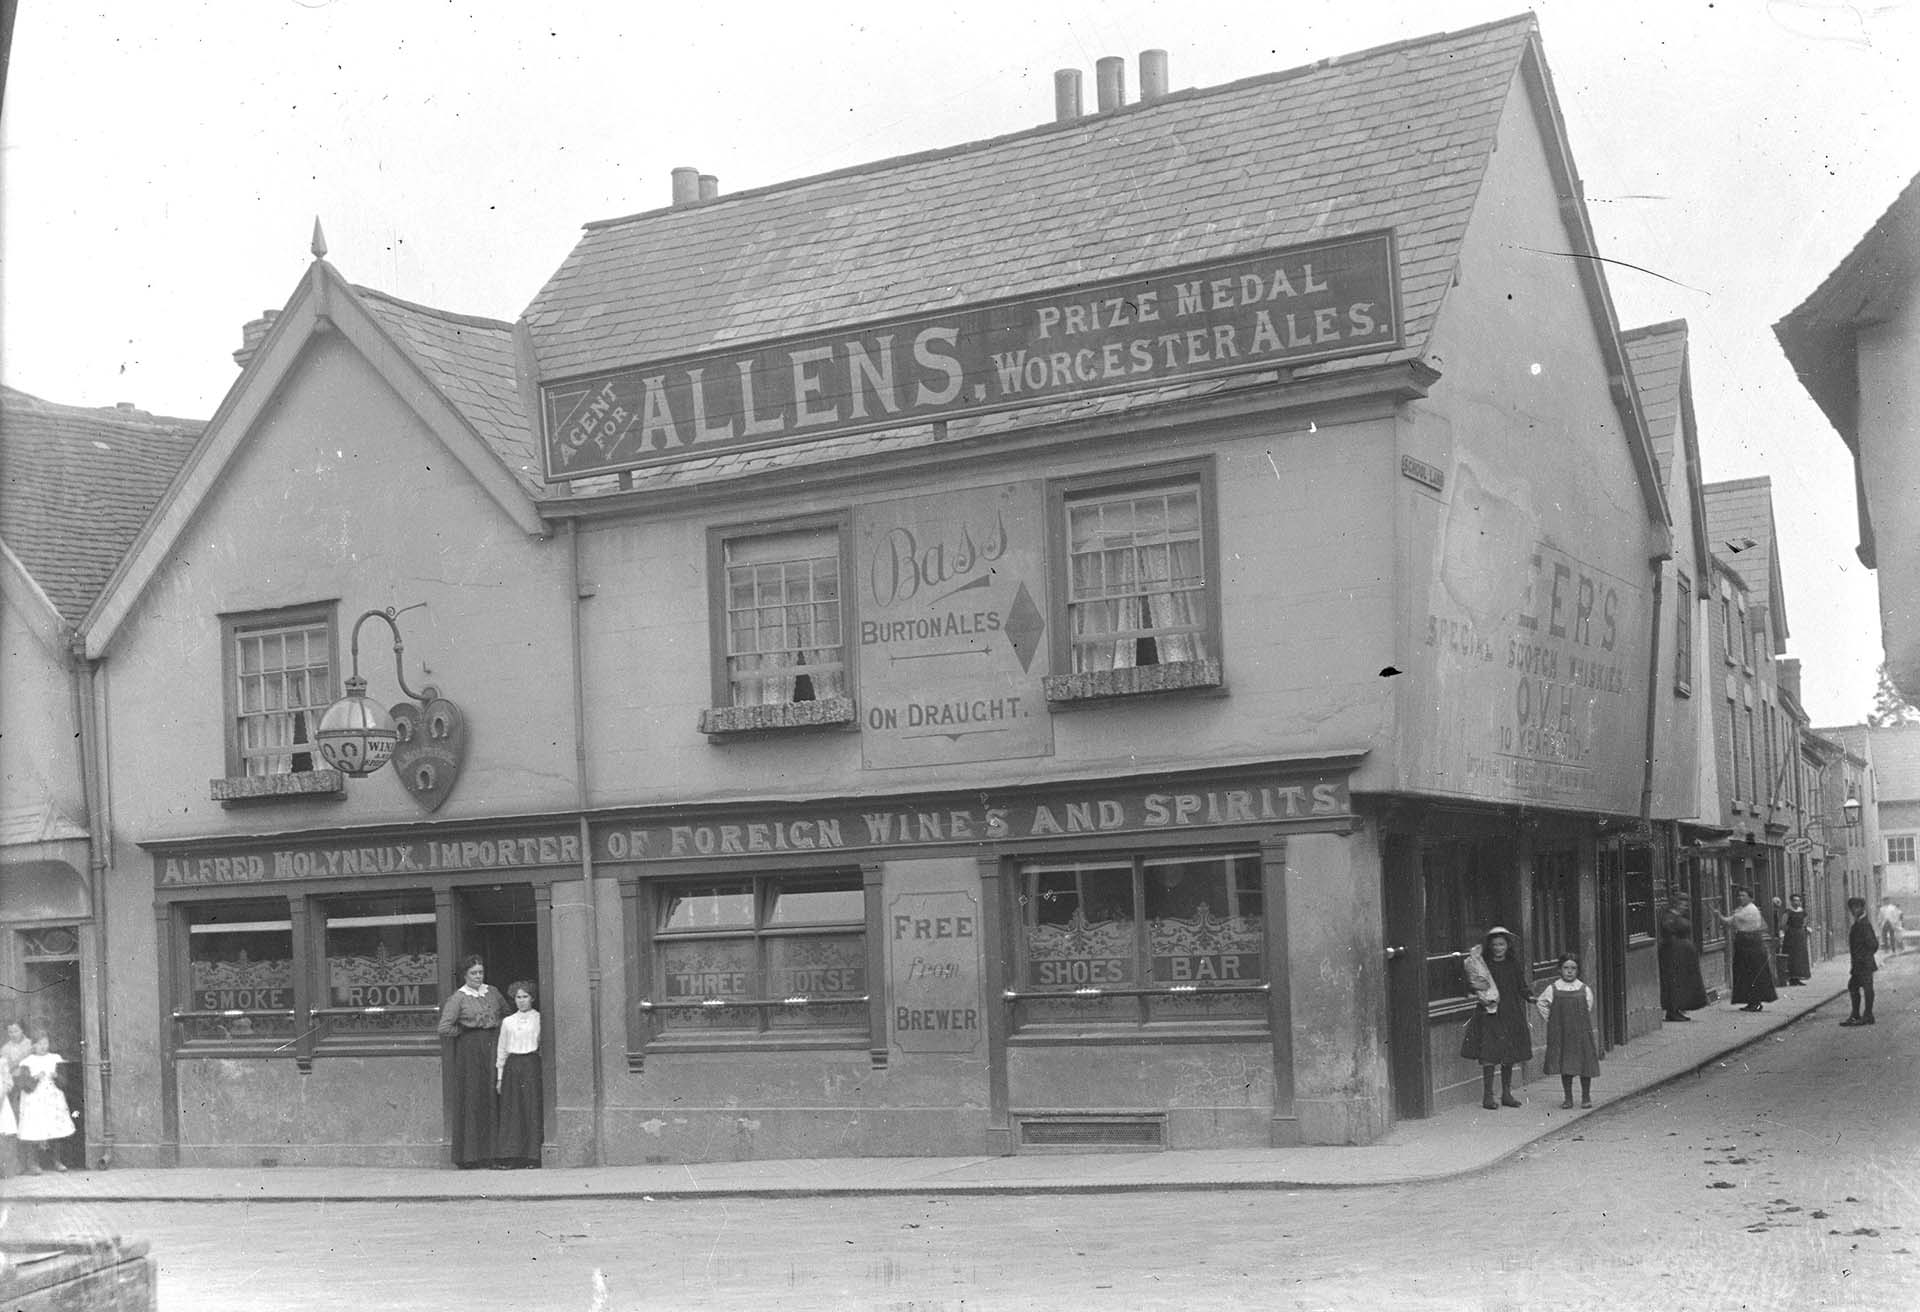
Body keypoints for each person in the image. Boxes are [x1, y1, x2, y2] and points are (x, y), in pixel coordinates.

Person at [437, 955, 507, 1169]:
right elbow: (444, 1027)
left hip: (493, 1045)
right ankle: (470, 1157)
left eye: (480, 972)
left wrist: (499, 1030)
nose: (478, 976)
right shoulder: (458, 998)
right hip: (470, 1052)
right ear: (465, 976)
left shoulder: (492, 992)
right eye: (473, 973)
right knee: (473, 1098)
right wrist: (465, 1031)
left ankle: (494, 1155)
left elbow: (507, 1014)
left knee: (491, 1097)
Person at [1460, 926, 1532, 1110]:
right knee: (1490, 1053)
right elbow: (1474, 985)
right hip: (1489, 1012)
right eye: (1495, 945)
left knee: (1509, 1053)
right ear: (1490, 946)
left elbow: (1521, 986)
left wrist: (1530, 997)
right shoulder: (1483, 965)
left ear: (1507, 945)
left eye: (1502, 944)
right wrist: (1476, 987)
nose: (1498, 948)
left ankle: (1506, 1093)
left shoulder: (1513, 964)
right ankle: (1488, 1096)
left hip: (1510, 1011)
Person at [1536, 953, 1601, 1108]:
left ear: (1578, 970)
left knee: (1585, 1063)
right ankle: (1568, 1098)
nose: (1569, 971)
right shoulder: (1553, 988)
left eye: (1573, 968)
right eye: (1566, 968)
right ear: (1560, 970)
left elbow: (1588, 1007)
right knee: (1566, 1064)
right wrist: (1552, 1020)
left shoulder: (1584, 989)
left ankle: (1586, 1097)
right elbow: (1541, 1003)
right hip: (1563, 1032)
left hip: (1581, 1032)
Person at [494, 980, 542, 1170]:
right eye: (518, 997)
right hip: (512, 1066)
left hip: (531, 1063)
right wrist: (500, 1075)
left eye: (525, 997)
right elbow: (502, 1049)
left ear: (532, 998)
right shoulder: (508, 1022)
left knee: (530, 1108)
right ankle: (511, 1155)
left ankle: (532, 1156)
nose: (521, 1001)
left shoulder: (539, 1019)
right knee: (512, 1110)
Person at [15, 1028, 74, 1173]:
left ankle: (57, 1161)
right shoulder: (27, 1062)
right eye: (40, 1044)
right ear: (33, 1045)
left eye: (45, 1043)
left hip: (52, 1099)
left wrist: (56, 1076)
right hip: (34, 1101)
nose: (43, 1046)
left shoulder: (55, 1058)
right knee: (35, 1129)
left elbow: (64, 1083)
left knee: (55, 1128)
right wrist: (34, 1078)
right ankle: (33, 1163)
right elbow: (23, 1085)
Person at [1717, 887, 1777, 1012]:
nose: (1740, 898)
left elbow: (1728, 922)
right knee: (1748, 973)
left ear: (1750, 898)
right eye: (1739, 895)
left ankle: (1754, 1002)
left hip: (1749, 943)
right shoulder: (1744, 909)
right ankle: (1753, 1001)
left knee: (1750, 972)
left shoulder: (1749, 910)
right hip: (1748, 943)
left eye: (1743, 895)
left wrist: (1718, 915)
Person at [1658, 894, 1708, 1022]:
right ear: (1676, 904)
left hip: (1683, 955)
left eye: (1685, 904)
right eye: (1682, 904)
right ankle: (1672, 1010)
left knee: (1683, 982)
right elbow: (1667, 932)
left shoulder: (1678, 917)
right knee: (1675, 981)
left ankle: (1678, 1008)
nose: (1684, 907)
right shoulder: (1669, 917)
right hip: (1674, 955)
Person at [1841, 897, 1878, 1027]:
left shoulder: (1864, 924)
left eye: (1856, 907)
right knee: (1853, 986)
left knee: (1866, 988)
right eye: (1852, 908)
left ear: (1862, 908)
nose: (1853, 910)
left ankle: (1867, 1015)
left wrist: (1863, 958)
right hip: (1858, 964)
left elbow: (1874, 944)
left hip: (1864, 964)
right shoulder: (1858, 923)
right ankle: (1858, 1015)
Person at [1781, 893, 1812, 986]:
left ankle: (1798, 977)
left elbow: (1804, 923)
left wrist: (1803, 930)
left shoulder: (1803, 912)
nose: (1796, 902)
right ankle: (1791, 978)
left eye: (1798, 900)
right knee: (1792, 956)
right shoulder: (1788, 912)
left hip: (1800, 936)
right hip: (1790, 936)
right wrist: (1789, 931)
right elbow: (1783, 924)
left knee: (1800, 957)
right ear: (1791, 901)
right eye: (1794, 900)